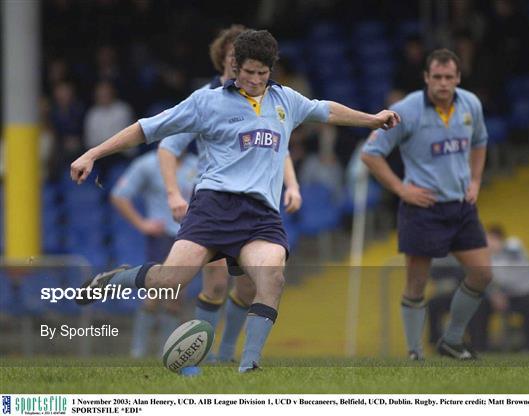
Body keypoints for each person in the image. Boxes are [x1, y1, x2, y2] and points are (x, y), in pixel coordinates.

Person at [71, 29, 399, 372]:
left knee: (271, 277)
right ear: (235, 66)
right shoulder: (207, 101)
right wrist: (93, 153)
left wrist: (372, 118)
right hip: (213, 207)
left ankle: (249, 366)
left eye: (263, 72)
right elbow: (146, 129)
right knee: (169, 281)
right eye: (249, 72)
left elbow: (325, 111)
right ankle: (112, 280)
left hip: (260, 216)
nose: (256, 80)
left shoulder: (285, 100)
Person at [158, 24, 302, 363]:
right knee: (217, 284)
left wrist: (292, 184)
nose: (236, 67)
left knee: (252, 286)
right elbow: (168, 145)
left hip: (256, 203)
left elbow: (277, 146)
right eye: (231, 60)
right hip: (216, 199)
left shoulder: (267, 98)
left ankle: (228, 353)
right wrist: (172, 194)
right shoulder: (207, 99)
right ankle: (207, 356)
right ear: (227, 62)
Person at [361, 48, 492, 360]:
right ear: (426, 78)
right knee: (416, 283)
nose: (443, 83)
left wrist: (475, 181)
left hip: (460, 206)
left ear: (458, 78)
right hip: (423, 207)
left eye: (449, 77)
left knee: (483, 274)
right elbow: (370, 153)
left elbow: (480, 142)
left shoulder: (470, 103)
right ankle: (414, 352)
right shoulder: (406, 110)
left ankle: (453, 339)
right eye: (437, 77)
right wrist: (401, 190)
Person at [110, 149, 199, 358]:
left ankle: (165, 352)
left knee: (176, 297)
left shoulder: (198, 164)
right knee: (155, 293)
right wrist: (141, 224)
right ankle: (138, 351)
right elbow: (119, 195)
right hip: (161, 237)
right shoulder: (148, 164)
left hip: (188, 237)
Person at [485, 225, 529, 352]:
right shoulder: (490, 259)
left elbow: (513, 251)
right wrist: (495, 294)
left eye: (489, 239)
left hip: (527, 293)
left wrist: (499, 247)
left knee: (528, 305)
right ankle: (480, 347)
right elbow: (490, 282)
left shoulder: (513, 243)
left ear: (498, 238)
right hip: (507, 297)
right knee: (480, 305)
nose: (486, 243)